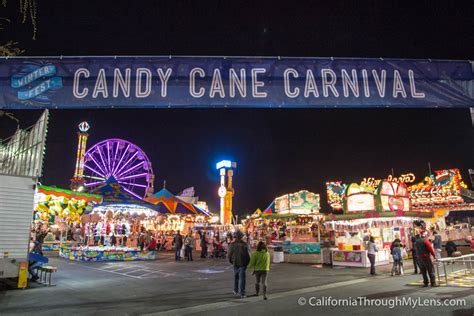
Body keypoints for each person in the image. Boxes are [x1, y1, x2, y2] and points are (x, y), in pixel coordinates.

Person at [229, 231, 251, 298]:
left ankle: (235, 290)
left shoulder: (232, 244)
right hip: (243, 263)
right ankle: (242, 293)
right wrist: (247, 263)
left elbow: (229, 255)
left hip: (235, 263)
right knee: (242, 279)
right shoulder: (245, 244)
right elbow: (248, 255)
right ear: (241, 237)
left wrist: (231, 261)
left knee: (236, 277)